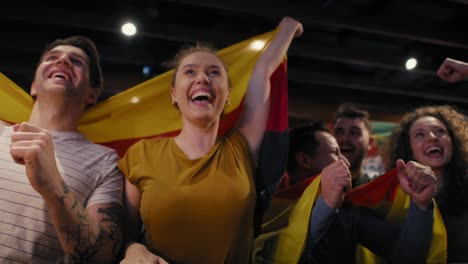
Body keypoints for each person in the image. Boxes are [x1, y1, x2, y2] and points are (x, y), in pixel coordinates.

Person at [118, 17, 303, 263]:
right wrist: (134, 249)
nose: (203, 78)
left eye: (214, 72)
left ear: (227, 96)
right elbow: (125, 236)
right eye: (190, 72)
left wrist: (287, 30)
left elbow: (262, 71)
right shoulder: (140, 155)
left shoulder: (241, 148)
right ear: (174, 95)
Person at [0, 36, 123, 262]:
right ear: (34, 86)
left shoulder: (105, 161)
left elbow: (103, 255)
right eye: (52, 57)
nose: (63, 60)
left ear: (92, 94)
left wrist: (54, 186)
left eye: (76, 61)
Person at [255, 121, 437, 263]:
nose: (344, 160)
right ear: (304, 160)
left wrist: (420, 205)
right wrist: (324, 206)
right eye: (335, 152)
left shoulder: (348, 211)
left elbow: (406, 258)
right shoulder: (264, 204)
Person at [390, 104, 468, 262]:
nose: (432, 137)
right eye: (420, 134)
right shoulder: (394, 202)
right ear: (409, 149)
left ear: (453, 141)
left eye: (440, 131)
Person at [332, 103, 384, 187]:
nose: (345, 139)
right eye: (339, 132)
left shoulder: (377, 190)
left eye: (354, 133)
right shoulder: (316, 188)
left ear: (370, 142)